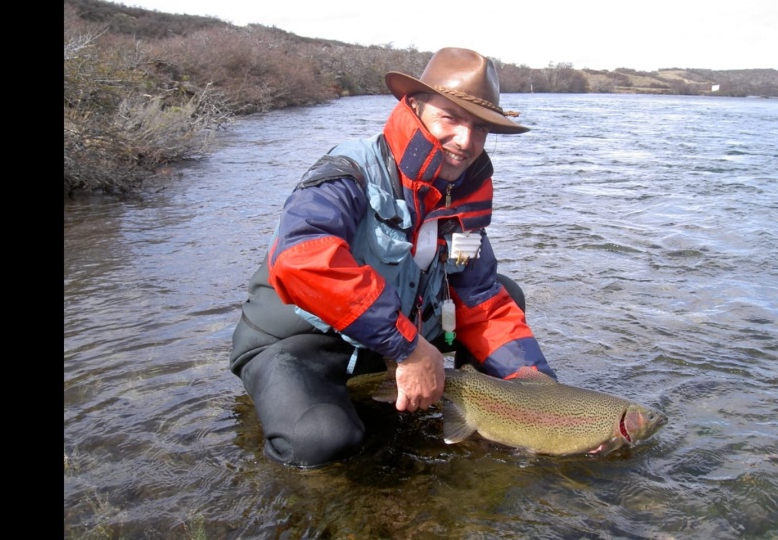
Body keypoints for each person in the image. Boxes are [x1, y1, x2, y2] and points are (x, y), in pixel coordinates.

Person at [230, 47, 556, 468]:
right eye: (451, 118)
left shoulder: (463, 198)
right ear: (414, 107)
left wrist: (540, 390)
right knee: (320, 441)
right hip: (302, 341)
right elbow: (302, 258)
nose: (466, 141)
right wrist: (409, 350)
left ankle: (483, 417)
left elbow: (482, 303)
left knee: (504, 292)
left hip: (395, 338)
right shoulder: (349, 172)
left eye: (479, 128)